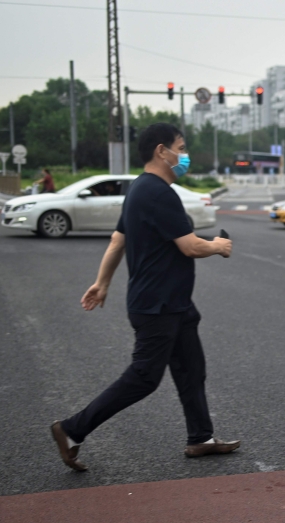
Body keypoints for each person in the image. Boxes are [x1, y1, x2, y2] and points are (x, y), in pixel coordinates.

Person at [50, 123, 238, 471]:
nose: (185, 155)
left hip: (173, 303)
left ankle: (201, 438)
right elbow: (190, 245)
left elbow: (117, 240)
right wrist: (219, 246)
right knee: (143, 378)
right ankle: (71, 429)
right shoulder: (158, 193)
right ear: (161, 151)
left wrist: (102, 282)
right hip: (157, 306)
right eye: (181, 148)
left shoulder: (139, 188)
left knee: (191, 370)